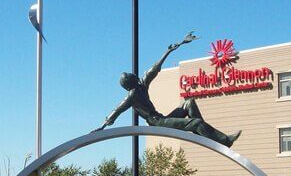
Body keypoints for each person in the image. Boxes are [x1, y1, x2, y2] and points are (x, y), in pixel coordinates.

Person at [94, 33, 241, 147]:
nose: (136, 75)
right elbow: (117, 110)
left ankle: (203, 133)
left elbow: (153, 70)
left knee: (189, 103)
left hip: (161, 118)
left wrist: (169, 51)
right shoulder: (132, 95)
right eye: (132, 76)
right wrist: (102, 127)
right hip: (157, 122)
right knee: (195, 122)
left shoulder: (141, 86)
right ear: (130, 83)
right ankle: (225, 141)